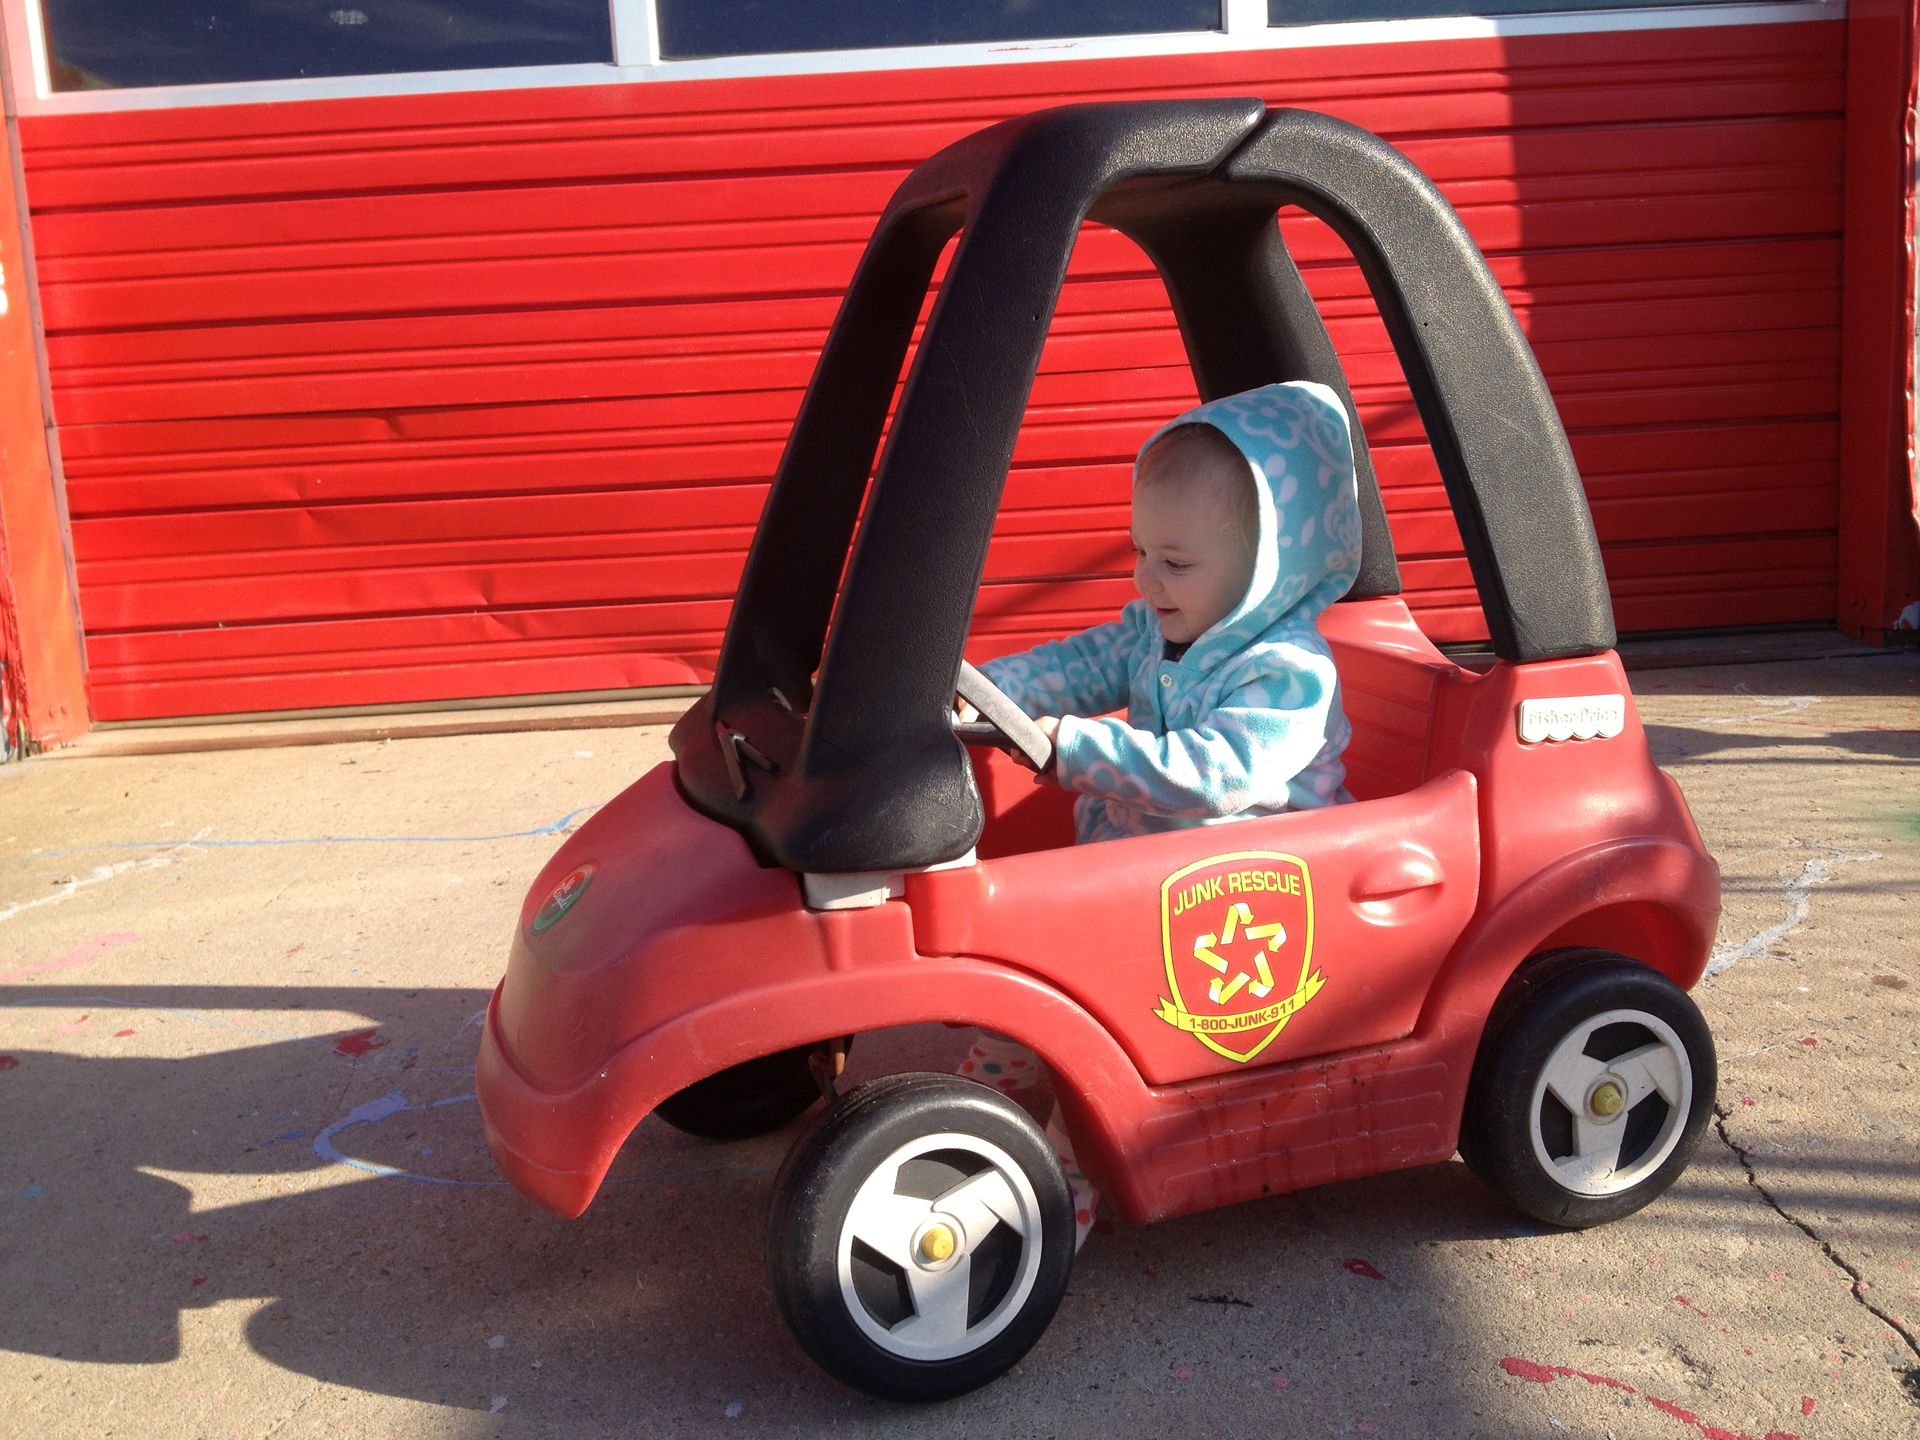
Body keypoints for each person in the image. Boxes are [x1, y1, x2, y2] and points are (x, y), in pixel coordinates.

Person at [960, 379, 1364, 1247]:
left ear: (1269, 571)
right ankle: (988, 1096)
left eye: (1175, 563)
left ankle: (1067, 1181)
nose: (1147, 580)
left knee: (1103, 1023)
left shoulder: (1289, 674)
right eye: (1140, 552)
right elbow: (1084, 660)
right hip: (1147, 872)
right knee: (1039, 959)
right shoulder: (1158, 626)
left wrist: (1076, 749)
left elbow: (1220, 775)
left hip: (1252, 892)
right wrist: (990, 693)